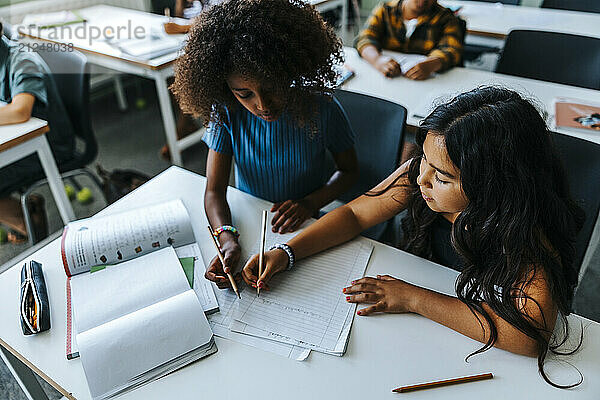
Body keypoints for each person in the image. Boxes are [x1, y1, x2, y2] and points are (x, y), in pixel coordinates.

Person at [243, 86, 584, 387]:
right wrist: (287, 252)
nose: (421, 179)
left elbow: (527, 337)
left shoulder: (525, 232)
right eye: (425, 161)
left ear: (492, 186)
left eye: (442, 176)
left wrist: (414, 299)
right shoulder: (421, 174)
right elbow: (354, 213)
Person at [171, 0, 358, 289]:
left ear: (288, 70)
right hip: (248, 219)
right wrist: (227, 240)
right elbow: (213, 191)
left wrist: (310, 203)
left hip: (306, 226)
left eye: (271, 87)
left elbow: (349, 171)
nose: (262, 104)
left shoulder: (322, 109)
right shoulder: (227, 113)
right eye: (244, 94)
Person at [0, 26, 76, 242]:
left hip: (49, 147)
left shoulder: (21, 60)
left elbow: (20, 111)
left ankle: (25, 221)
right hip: (20, 142)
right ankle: (24, 215)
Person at [354, 0, 464, 79]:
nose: (422, 1)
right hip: (388, 81)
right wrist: (377, 60)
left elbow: (451, 50)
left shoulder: (446, 18)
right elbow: (364, 38)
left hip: (425, 84)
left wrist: (431, 65)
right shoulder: (385, 10)